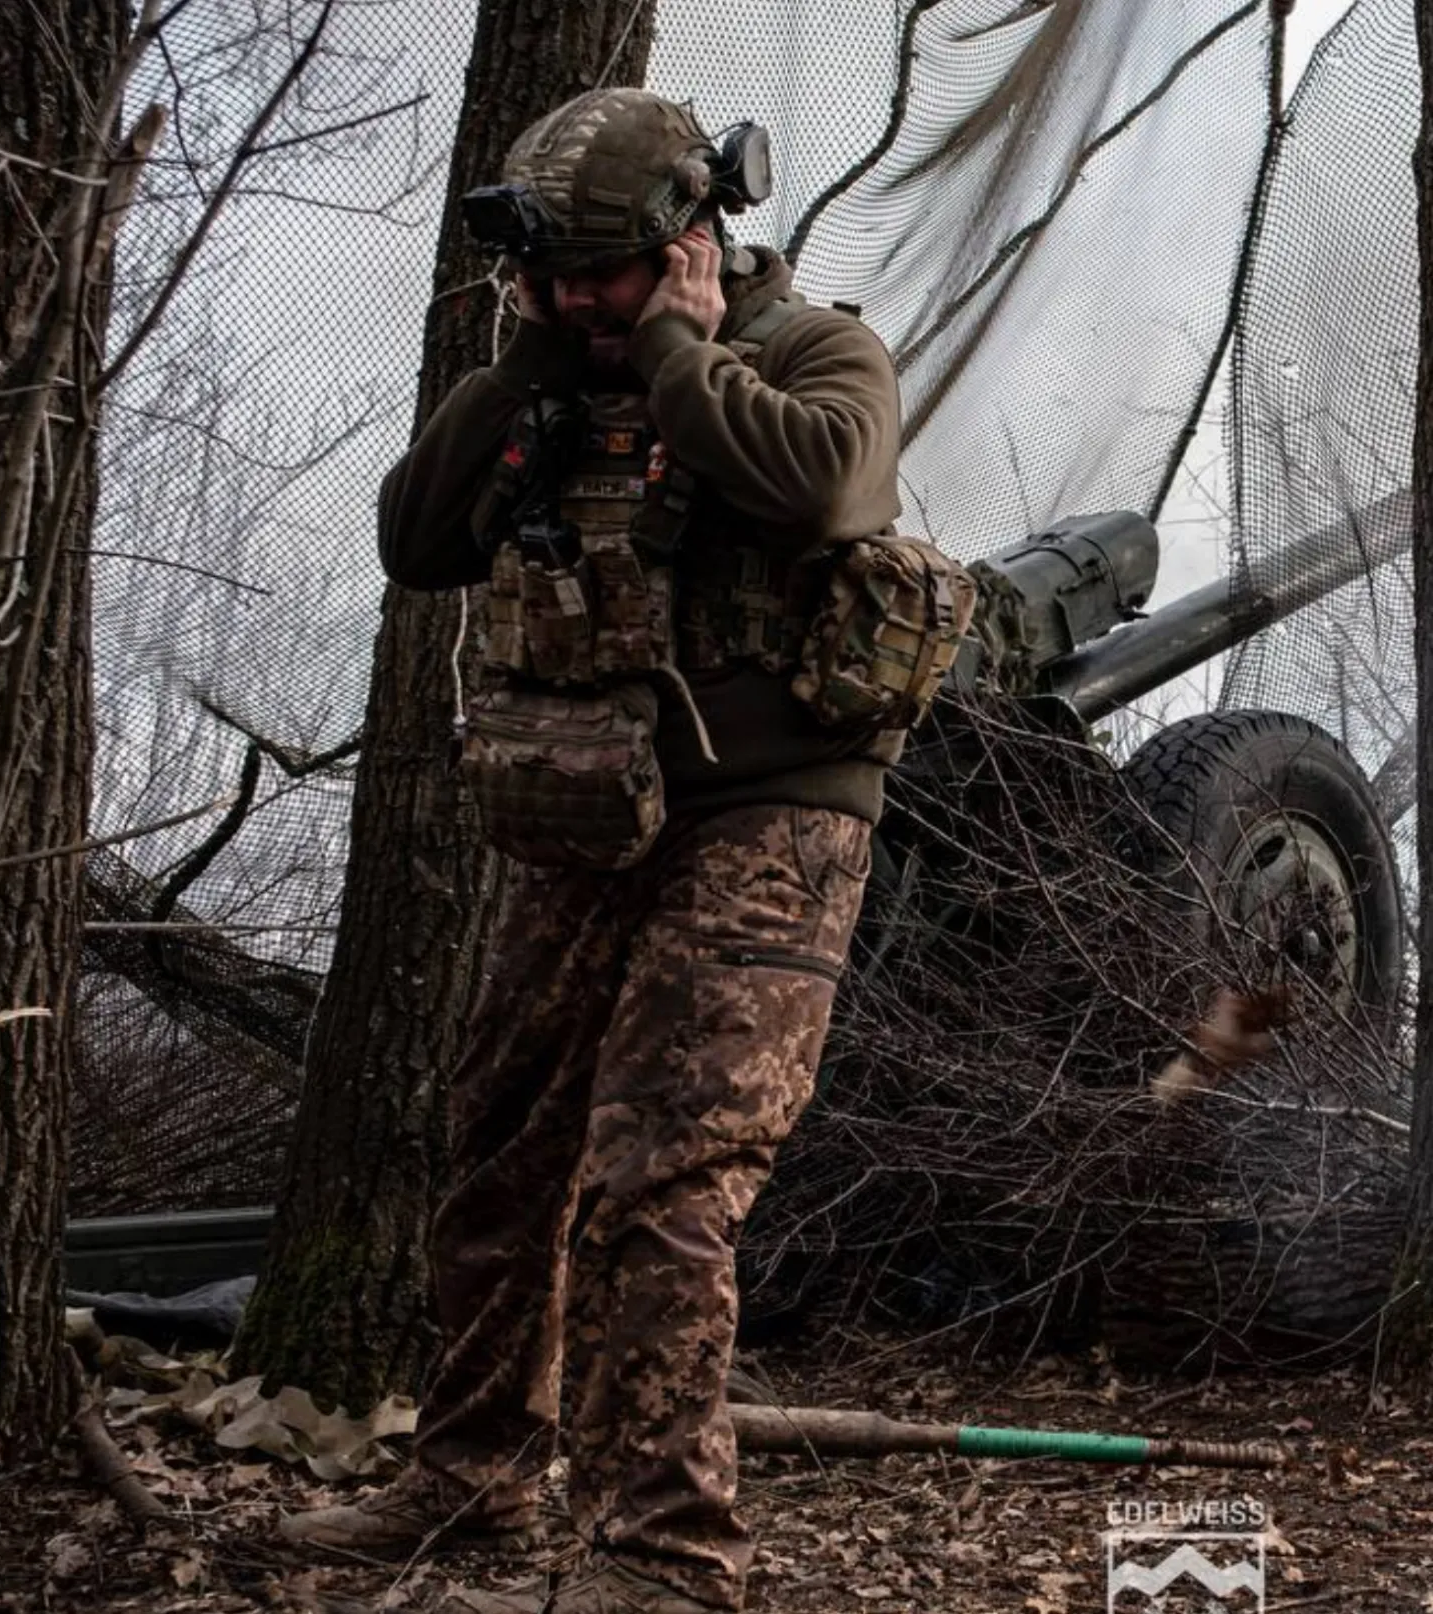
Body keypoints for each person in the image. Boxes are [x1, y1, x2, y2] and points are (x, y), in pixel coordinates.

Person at [279, 87, 909, 1614]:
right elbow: (419, 538)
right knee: (504, 1143)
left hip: (770, 815)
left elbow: (824, 483)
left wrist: (682, 349)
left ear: (693, 241)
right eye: (552, 275)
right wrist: (528, 366)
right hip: (584, 809)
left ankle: (666, 1556)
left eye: (606, 275)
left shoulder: (815, 351)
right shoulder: (552, 371)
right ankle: (474, 1477)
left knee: (664, 1181)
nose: (578, 299)